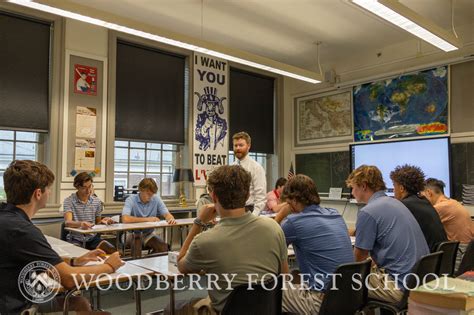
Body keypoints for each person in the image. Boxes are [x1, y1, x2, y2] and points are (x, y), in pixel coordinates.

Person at [0, 160, 124, 314]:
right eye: (49, 189)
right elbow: (69, 280)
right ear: (38, 194)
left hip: (13, 296)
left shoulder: (7, 219)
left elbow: (41, 261)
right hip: (16, 307)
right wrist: (109, 266)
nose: (50, 193)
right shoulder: (24, 231)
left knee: (80, 302)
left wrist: (75, 261)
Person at [176, 165, 288, 314]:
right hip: (266, 309)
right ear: (248, 195)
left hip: (225, 311)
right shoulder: (274, 229)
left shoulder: (205, 241)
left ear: (213, 196)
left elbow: (181, 264)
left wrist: (199, 222)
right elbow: (284, 277)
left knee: (174, 307)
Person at [346, 165, 429, 303]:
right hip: (420, 281)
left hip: (400, 286)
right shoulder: (396, 203)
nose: (352, 192)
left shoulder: (368, 212)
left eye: (353, 187)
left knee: (342, 280)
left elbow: (358, 260)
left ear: (364, 186)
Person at [275, 174, 354, 315]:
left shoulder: (293, 222)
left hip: (321, 301)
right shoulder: (334, 214)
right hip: (350, 296)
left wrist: (280, 216)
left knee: (270, 294)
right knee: (296, 276)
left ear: (293, 200)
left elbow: (271, 240)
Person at [390, 165, 447, 252]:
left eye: (394, 186)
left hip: (424, 260)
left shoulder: (403, 206)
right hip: (437, 259)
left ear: (401, 188)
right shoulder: (424, 202)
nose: (393, 191)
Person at [423, 178, 473, 268]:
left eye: (422, 195)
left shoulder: (441, 207)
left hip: (460, 250)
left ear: (429, 193)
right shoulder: (453, 202)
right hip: (467, 248)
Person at [63, 172, 116, 253]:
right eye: (84, 187)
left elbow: (97, 223)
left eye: (90, 186)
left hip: (93, 238)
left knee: (111, 250)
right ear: (77, 187)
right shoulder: (69, 201)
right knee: (79, 254)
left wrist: (103, 221)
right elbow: (68, 222)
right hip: (76, 239)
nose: (88, 191)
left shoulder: (96, 201)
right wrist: (81, 224)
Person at [122, 178, 176, 256]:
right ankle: (137, 264)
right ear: (140, 190)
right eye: (148, 193)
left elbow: (167, 214)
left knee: (163, 247)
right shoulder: (130, 200)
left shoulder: (156, 198)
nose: (150, 196)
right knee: (137, 242)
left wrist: (171, 219)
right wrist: (149, 219)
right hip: (131, 234)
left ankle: (147, 263)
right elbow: (125, 219)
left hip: (148, 234)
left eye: (152, 193)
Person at [232, 131, 266, 215]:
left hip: (250, 210)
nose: (238, 148)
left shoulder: (256, 168)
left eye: (241, 145)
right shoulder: (231, 167)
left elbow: (261, 197)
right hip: (233, 210)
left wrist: (254, 216)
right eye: (235, 145)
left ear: (248, 146)